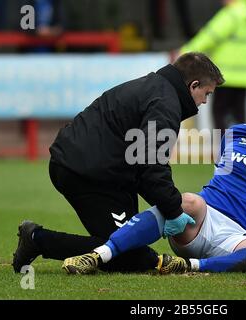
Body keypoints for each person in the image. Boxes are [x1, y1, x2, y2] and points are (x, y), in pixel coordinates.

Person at [63, 82, 246, 274]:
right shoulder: (236, 134)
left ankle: (189, 267)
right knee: (190, 200)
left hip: (244, 241)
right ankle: (98, 255)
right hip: (199, 224)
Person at [12, 52, 225, 273]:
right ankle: (37, 239)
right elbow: (151, 164)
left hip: (95, 168)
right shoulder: (165, 104)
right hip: (86, 173)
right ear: (193, 85)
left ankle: (40, 239)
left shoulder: (155, 88)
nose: (204, 102)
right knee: (128, 253)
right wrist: (172, 210)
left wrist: (167, 206)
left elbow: (142, 165)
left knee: (129, 243)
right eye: (206, 93)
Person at [177, 0, 246, 135]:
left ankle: (224, 149)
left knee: (220, 113)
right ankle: (242, 148)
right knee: (239, 115)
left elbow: (209, 37)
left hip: (227, 75)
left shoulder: (229, 15)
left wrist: (184, 53)